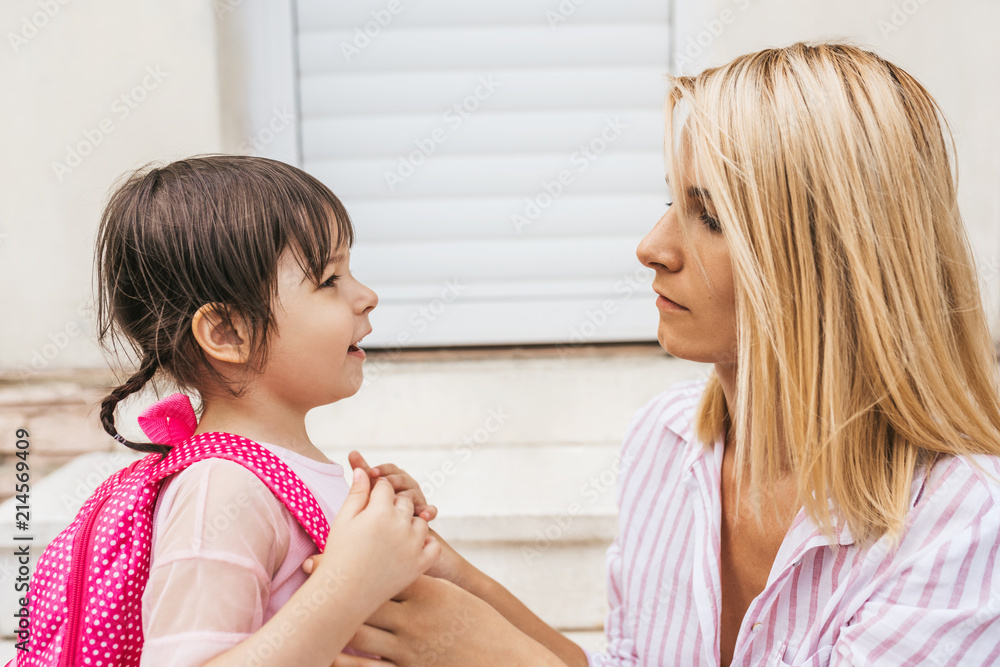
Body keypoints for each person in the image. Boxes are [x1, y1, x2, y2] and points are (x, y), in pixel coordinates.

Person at [317, 42, 1000, 666]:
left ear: (828, 259)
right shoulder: (666, 443)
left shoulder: (964, 518)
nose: (652, 245)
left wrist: (495, 655)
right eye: (672, 201)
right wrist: (451, 579)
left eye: (710, 217)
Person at [94, 155, 441, 666]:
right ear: (230, 333)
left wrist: (392, 539)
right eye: (328, 280)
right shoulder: (223, 487)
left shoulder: (275, 474)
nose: (366, 296)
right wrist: (349, 584)